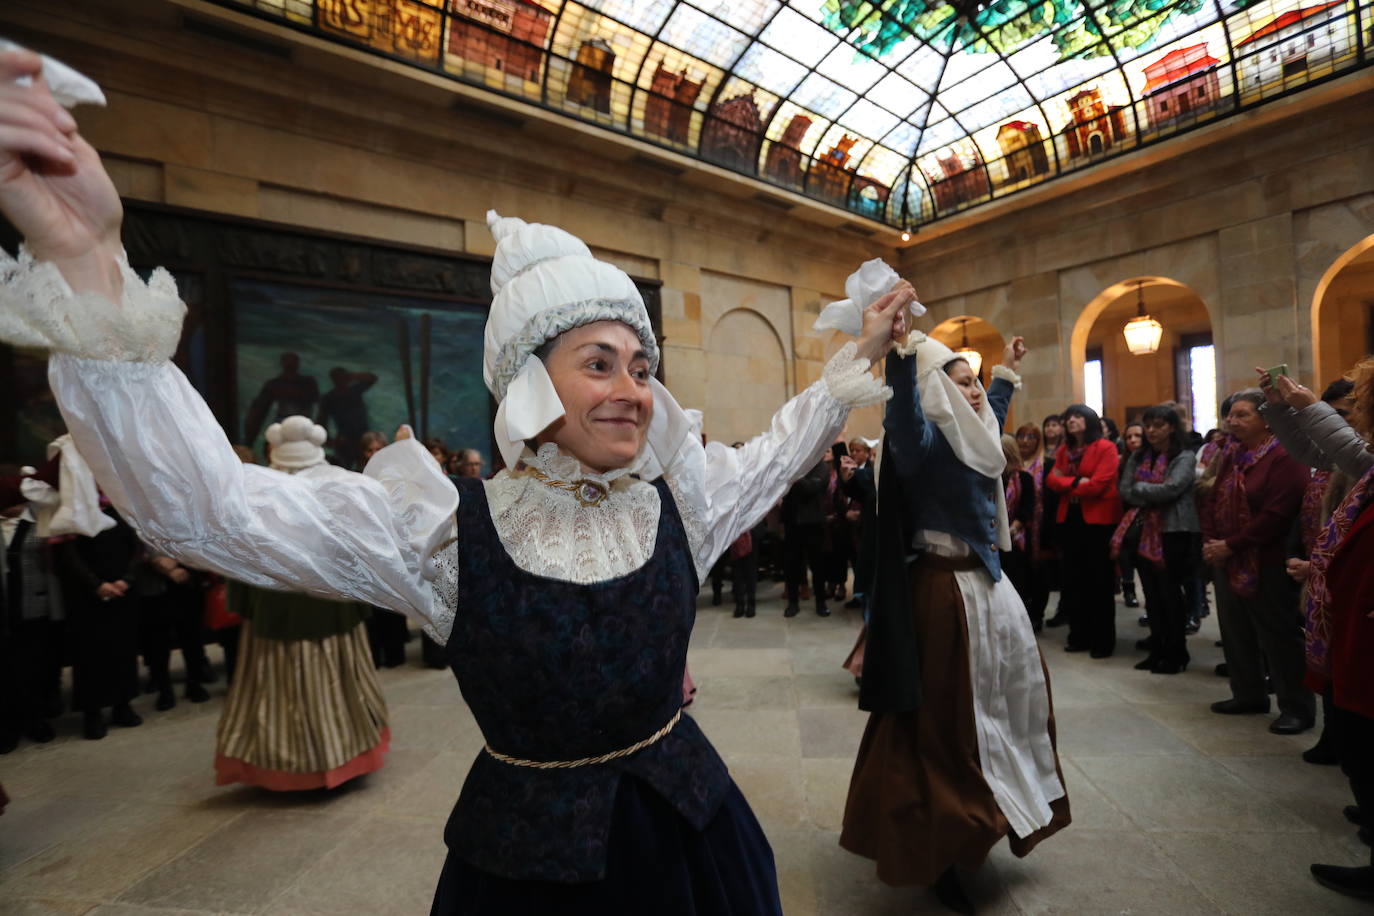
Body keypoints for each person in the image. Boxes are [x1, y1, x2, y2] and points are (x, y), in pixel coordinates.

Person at [0, 60, 909, 907]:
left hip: (692, 843)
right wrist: (90, 261)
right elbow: (210, 509)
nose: (634, 389)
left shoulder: (679, 503)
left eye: (641, 365)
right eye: (601, 362)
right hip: (526, 870)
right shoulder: (442, 533)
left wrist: (859, 355)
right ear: (528, 383)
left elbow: (778, 453)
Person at [841, 331, 1069, 915]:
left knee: (1003, 711)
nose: (973, 392)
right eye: (961, 381)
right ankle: (935, 845)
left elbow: (988, 411)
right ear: (936, 387)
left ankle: (984, 817)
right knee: (943, 727)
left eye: (973, 381)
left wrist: (1005, 374)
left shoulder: (978, 437)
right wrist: (901, 359)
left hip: (990, 591)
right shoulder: (921, 443)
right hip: (943, 596)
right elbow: (909, 410)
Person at [215, 417, 391, 790]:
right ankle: (340, 753)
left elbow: (239, 556)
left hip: (273, 605)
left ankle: (283, 763)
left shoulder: (254, 489)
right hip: (331, 603)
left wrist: (243, 603)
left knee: (276, 682)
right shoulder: (342, 486)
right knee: (336, 677)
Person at [1261, 372, 1369, 764]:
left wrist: (1307, 406)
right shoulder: (1343, 460)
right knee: (1333, 665)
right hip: (1326, 572)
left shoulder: (1362, 459)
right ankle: (1336, 739)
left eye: (1355, 411)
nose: (1351, 421)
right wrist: (1278, 406)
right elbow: (1309, 454)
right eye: (1341, 413)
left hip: (1354, 579)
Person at [1201, 389, 1313, 734]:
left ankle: (1296, 707)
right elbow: (1210, 494)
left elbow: (1277, 513)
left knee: (1277, 635)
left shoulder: (1284, 456)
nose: (1232, 421)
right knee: (1235, 631)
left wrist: (1232, 544)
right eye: (1230, 415)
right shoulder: (1230, 454)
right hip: (1227, 555)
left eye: (1242, 415)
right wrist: (1212, 541)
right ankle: (1247, 693)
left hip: (1266, 558)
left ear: (1267, 419)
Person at [1114, 405, 1198, 674]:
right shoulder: (1139, 457)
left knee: (1170, 593)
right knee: (1151, 594)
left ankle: (1176, 652)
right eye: (1148, 425)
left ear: (1172, 427)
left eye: (1158, 425)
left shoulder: (1184, 456)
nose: (1151, 430)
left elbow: (1173, 488)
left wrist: (1143, 489)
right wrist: (1152, 493)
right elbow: (1126, 491)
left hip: (1174, 531)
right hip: (1143, 531)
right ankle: (1157, 648)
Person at [56, 506, 144, 740]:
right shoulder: (72, 513)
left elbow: (137, 548)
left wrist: (127, 579)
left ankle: (122, 705)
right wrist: (95, 584)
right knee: (89, 656)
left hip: (123, 592)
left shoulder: (123, 510)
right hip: (85, 597)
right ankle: (92, 713)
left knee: (123, 650)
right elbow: (68, 555)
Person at [1046, 404, 1122, 658]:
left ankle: (1102, 641)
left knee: (1099, 582)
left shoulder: (1106, 448)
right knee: (1074, 581)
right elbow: (1051, 480)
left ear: (1089, 421)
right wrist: (1078, 482)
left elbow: (1099, 485)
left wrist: (1067, 483)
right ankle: (1079, 636)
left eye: (1077, 416)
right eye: (1068, 417)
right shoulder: (1065, 450)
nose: (1071, 421)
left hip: (1098, 522)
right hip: (1071, 519)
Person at [781, 458, 831, 618]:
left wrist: (794, 476)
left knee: (817, 565)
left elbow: (812, 488)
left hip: (813, 522)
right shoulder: (793, 464)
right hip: (792, 522)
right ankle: (793, 603)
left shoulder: (821, 466)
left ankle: (821, 603)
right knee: (792, 565)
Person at [1014, 423, 1050, 629]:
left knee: (1040, 572)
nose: (1025, 440)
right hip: (1017, 527)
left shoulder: (1047, 464)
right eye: (1021, 436)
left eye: (1031, 436)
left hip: (1040, 527)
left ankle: (1037, 614)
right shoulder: (1010, 463)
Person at [244, 352, 319, 446]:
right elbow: (258, 412)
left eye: (292, 363)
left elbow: (317, 406)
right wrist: (249, 441)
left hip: (304, 425)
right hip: (282, 424)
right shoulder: (275, 384)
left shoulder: (307, 382)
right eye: (288, 363)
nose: (290, 365)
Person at [1001, 433, 1037, 612]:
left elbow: (1027, 509)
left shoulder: (1024, 477)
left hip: (1016, 537)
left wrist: (1011, 529)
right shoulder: (989, 474)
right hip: (993, 537)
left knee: (1017, 583)